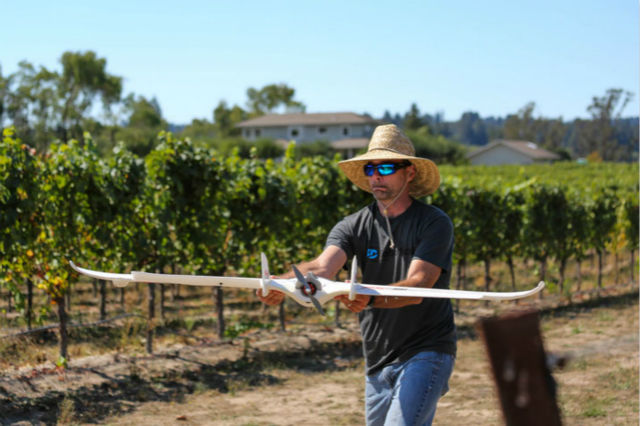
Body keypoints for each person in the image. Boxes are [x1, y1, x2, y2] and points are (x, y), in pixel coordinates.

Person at [258, 124, 456, 425]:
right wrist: (282, 284)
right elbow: (323, 267)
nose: (376, 175)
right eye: (370, 168)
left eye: (386, 167)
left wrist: (369, 298)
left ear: (409, 172)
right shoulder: (352, 226)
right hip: (377, 357)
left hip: (426, 351)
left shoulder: (433, 223)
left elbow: (419, 286)